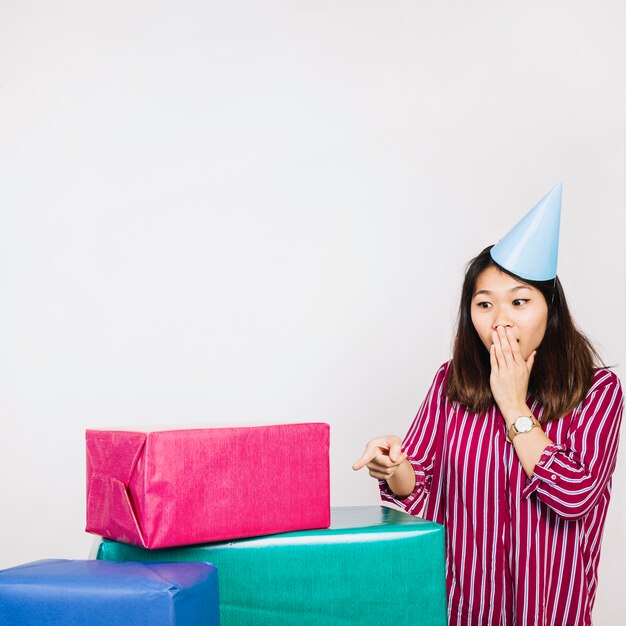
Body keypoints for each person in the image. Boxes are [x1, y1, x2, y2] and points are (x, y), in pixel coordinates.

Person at [352, 184, 623, 626]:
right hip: (464, 610)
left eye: (520, 301)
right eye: (484, 304)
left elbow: (574, 497)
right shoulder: (451, 381)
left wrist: (514, 404)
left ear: (549, 308)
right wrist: (394, 466)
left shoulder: (597, 390)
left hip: (551, 611)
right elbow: (419, 489)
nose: (500, 320)